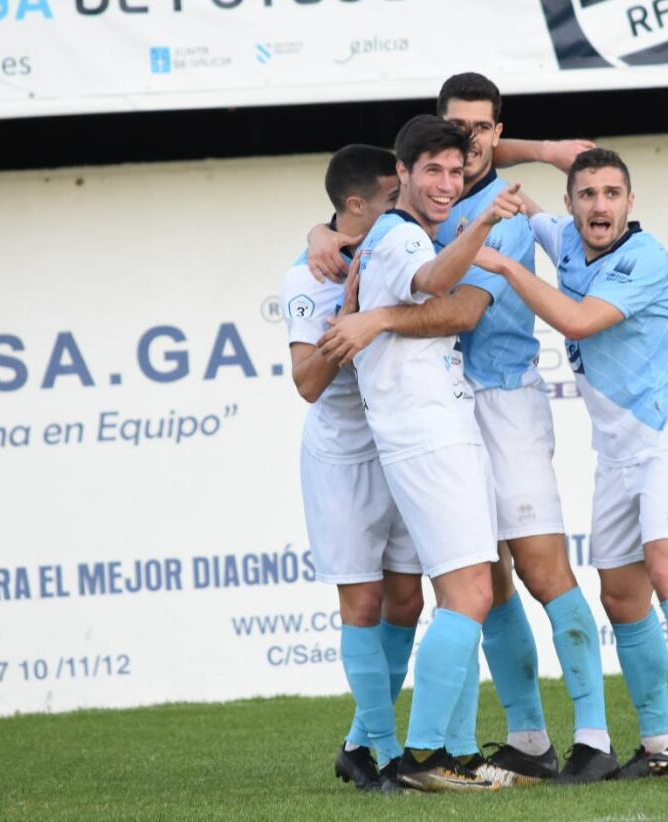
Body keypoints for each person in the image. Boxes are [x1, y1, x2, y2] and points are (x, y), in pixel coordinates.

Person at [316, 73, 617, 786]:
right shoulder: (416, 202)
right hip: (437, 411)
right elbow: (356, 215)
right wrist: (325, 234)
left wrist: (377, 316)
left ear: (495, 134)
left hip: (501, 400)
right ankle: (519, 739)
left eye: (484, 133)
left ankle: (595, 735)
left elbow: (462, 310)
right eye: (457, 133)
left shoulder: (502, 209)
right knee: (481, 583)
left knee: (539, 571)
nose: (470, 147)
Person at [474, 147, 668, 777]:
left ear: (630, 203)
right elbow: (517, 195)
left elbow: (579, 321)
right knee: (620, 595)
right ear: (570, 204)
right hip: (616, 452)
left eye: (612, 193)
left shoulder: (645, 256)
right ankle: (662, 743)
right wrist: (498, 149)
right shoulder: (561, 239)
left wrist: (502, 264)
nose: (599, 204)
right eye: (587, 194)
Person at [352, 113, 525, 792]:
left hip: (439, 428)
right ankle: (422, 757)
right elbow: (431, 284)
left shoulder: (404, 235)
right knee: (469, 591)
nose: (447, 184)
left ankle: (447, 749)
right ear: (401, 173)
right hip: (425, 435)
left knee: (469, 589)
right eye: (433, 170)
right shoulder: (397, 238)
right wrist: (481, 228)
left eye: (457, 172)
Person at [278, 145, 425, 793]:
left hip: (402, 443)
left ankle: (361, 745)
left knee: (409, 600)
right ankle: (388, 757)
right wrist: (348, 322)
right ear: (357, 206)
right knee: (362, 604)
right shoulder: (308, 276)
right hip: (342, 459)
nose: (408, 208)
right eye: (395, 199)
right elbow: (307, 383)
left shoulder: (399, 248)